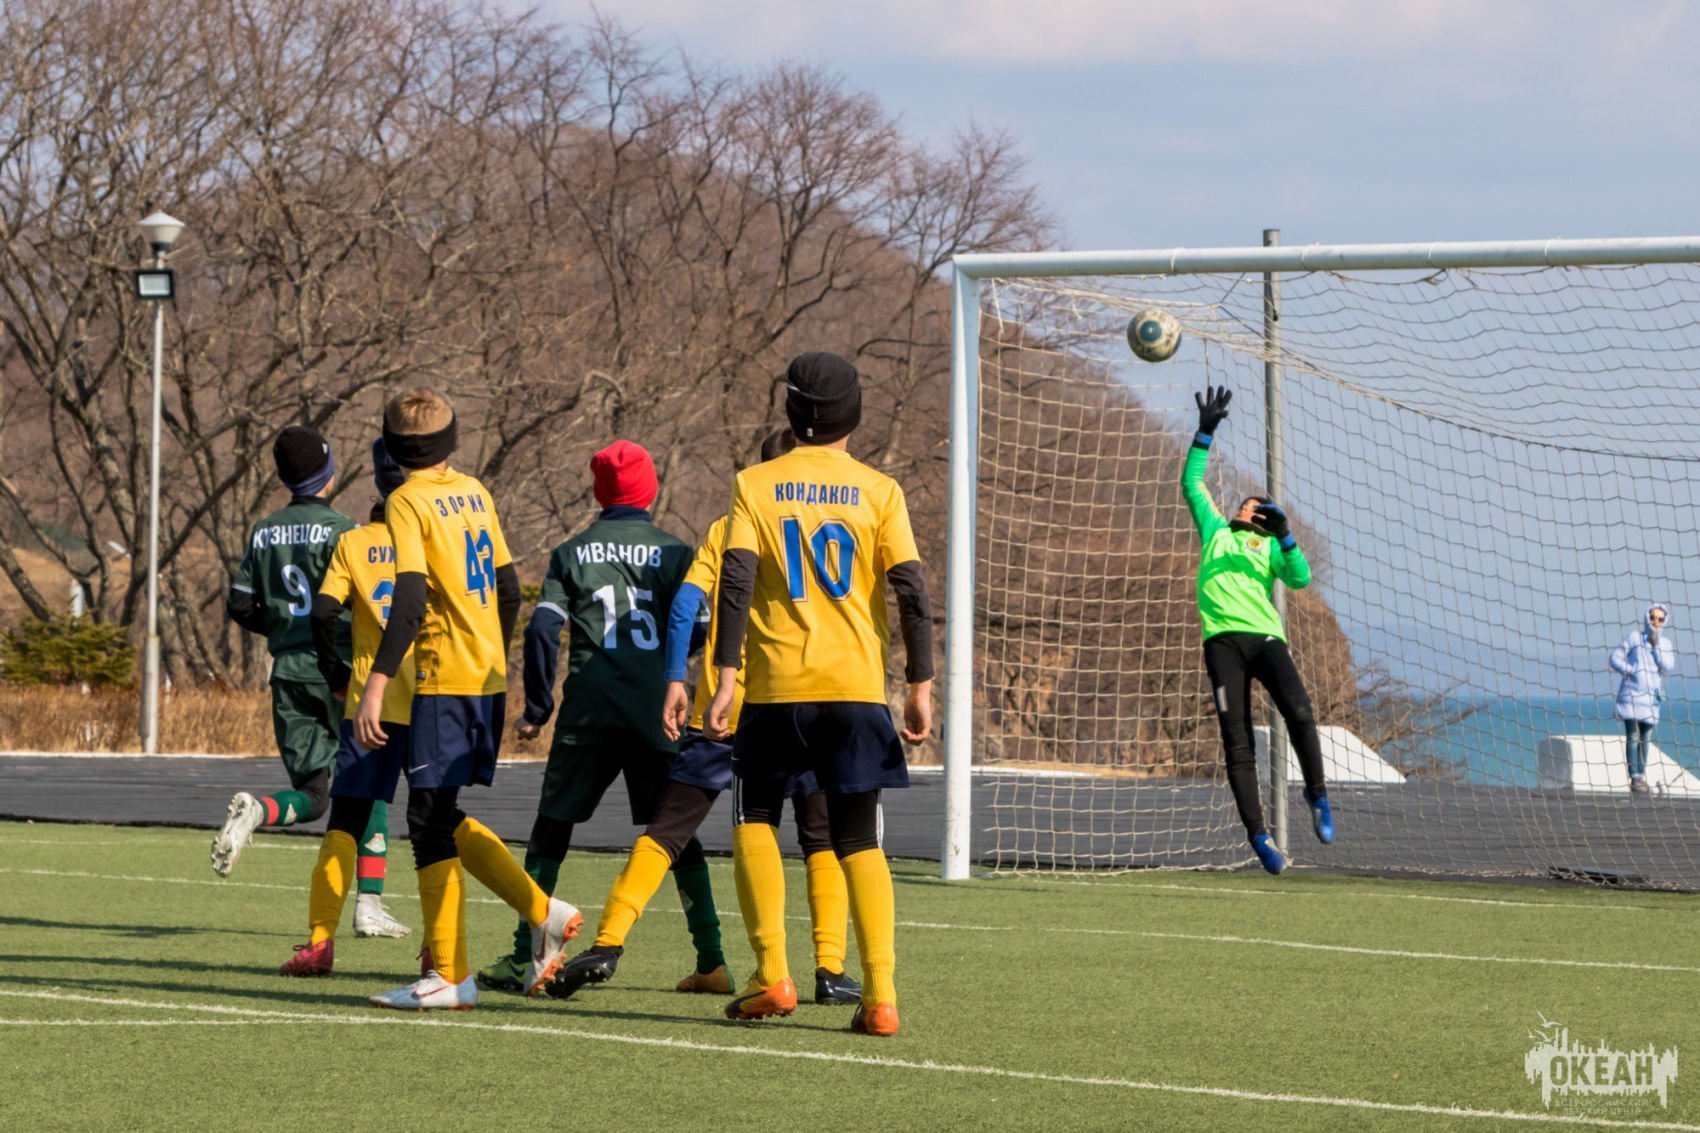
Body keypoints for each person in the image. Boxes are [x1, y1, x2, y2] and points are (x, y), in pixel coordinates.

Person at [547, 427, 862, 1008]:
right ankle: (830, 969)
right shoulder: (842, 525)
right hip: (809, 701)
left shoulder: (731, 525)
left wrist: (677, 678)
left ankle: (608, 942)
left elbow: (687, 606)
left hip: (726, 704)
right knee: (820, 837)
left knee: (668, 828)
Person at [706, 352, 934, 1038]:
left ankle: (772, 974)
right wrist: (920, 685)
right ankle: (881, 995)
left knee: (754, 816)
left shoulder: (755, 483)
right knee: (857, 837)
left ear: (791, 410)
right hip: (856, 690)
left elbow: (735, 581)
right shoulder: (880, 491)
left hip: (776, 687)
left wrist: (725, 676)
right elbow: (913, 591)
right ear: (853, 414)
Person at [354, 388, 580, 1011]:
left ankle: (451, 976)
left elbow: (408, 600)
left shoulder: (405, 500)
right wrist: (490, 652)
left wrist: (377, 683)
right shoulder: (475, 490)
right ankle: (543, 911)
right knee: (439, 813)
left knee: (428, 821)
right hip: (483, 676)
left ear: (392, 448)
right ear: (449, 441)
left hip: (443, 676)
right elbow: (507, 589)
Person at [474, 441, 710, 995]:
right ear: (649, 489)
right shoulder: (676, 552)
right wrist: (669, 666)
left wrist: (538, 706)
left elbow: (541, 628)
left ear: (600, 492)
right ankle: (711, 957)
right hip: (657, 710)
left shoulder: (571, 552)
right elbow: (699, 623)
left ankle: (526, 955)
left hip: (588, 710)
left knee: (552, 827)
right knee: (673, 833)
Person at [216, 426, 408, 938]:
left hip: (287, 671)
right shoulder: (344, 530)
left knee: (315, 793)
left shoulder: (264, 531)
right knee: (370, 782)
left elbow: (239, 604)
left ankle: (259, 811)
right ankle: (369, 905)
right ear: (329, 473)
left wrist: (283, 628)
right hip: (340, 668)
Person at [279, 439, 418, 976]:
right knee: (437, 824)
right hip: (430, 696)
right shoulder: (436, 537)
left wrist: (337, 673)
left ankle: (319, 942)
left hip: (368, 702)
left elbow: (321, 612)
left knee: (345, 819)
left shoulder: (355, 541)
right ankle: (442, 953)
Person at [1182, 385, 1333, 875]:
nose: (1249, 508)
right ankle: (1259, 836)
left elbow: (1300, 579)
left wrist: (1285, 537)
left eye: (1259, 509)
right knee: (1237, 739)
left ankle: (1318, 796)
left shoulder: (1269, 548)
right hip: (1222, 645)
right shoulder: (1216, 532)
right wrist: (1204, 433)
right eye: (1247, 504)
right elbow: (1192, 483)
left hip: (1266, 639)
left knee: (1300, 712)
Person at [1610, 604, 1675, 794]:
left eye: (1660, 619)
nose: (1656, 622)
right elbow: (1615, 658)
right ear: (1647, 617)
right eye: (1653, 617)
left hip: (1651, 699)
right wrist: (1630, 670)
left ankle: (1641, 774)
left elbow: (1668, 666)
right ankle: (1635, 777)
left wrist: (1656, 646)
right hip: (1631, 695)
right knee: (1633, 736)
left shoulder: (1665, 644)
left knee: (1645, 738)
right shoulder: (1634, 638)